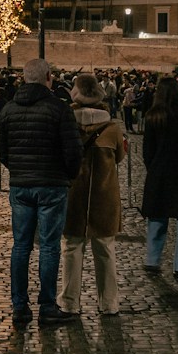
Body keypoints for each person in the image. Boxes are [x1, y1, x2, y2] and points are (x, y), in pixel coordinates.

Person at [0, 56, 81, 326]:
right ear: (49, 78)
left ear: (23, 79)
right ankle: (46, 305)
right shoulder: (59, 109)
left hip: (21, 185)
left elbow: (1, 150)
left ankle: (20, 306)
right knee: (49, 247)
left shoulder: (8, 109)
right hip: (52, 185)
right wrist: (67, 174)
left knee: (21, 246)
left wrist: (18, 169)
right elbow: (73, 151)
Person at [61, 74, 127, 314]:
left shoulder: (67, 124)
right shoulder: (112, 128)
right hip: (104, 196)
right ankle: (109, 303)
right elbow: (120, 157)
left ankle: (69, 302)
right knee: (105, 250)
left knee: (71, 249)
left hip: (73, 195)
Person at [140, 76, 178, 280]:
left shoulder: (152, 115)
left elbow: (147, 150)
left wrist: (154, 168)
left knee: (157, 218)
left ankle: (152, 260)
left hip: (160, 172)